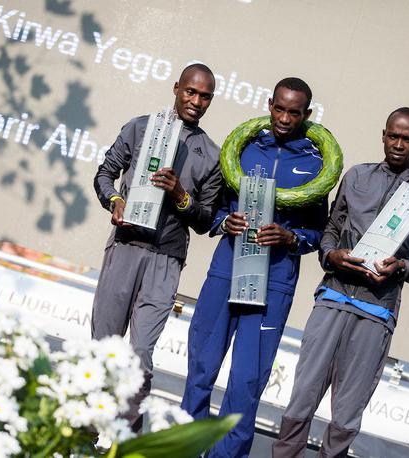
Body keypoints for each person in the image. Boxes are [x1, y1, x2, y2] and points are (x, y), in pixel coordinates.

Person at [273, 107, 409, 457]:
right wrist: (332, 256)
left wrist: (402, 267)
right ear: (383, 135)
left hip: (375, 313)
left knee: (346, 416)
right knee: (300, 400)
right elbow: (330, 232)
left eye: (407, 139)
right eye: (393, 136)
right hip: (332, 298)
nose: (399, 144)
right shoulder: (356, 177)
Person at [181, 78, 329, 457]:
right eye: (278, 108)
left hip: (274, 283)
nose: (283, 118)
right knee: (201, 369)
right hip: (226, 270)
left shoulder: (316, 164)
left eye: (293, 112)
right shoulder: (243, 149)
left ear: (306, 115)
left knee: (246, 382)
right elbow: (212, 207)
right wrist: (222, 221)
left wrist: (291, 237)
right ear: (269, 104)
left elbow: (318, 232)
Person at [92, 64, 223, 429]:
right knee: (104, 347)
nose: (196, 101)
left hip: (166, 258)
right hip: (126, 245)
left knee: (140, 355)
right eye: (190, 92)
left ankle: (125, 439)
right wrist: (115, 200)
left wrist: (181, 195)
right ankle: (82, 432)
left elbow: (206, 219)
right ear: (176, 88)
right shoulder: (139, 127)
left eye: (205, 96)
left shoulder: (210, 154)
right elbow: (104, 173)